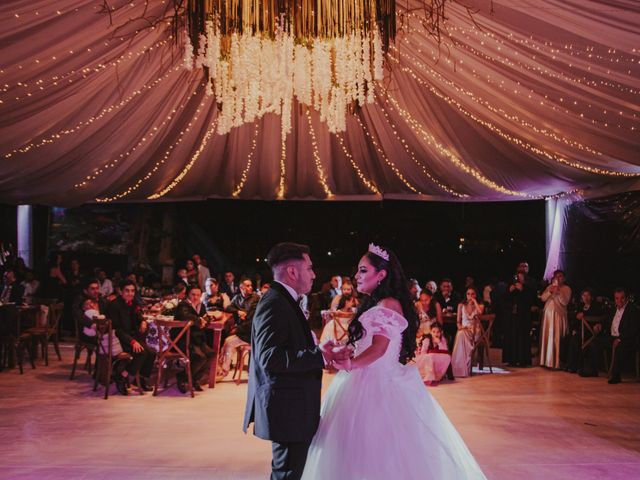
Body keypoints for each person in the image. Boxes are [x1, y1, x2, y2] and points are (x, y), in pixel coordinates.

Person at [301, 244, 486, 480]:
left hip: (377, 383)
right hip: (363, 379)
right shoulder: (376, 303)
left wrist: (351, 364)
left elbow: (379, 349)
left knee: (376, 449)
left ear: (382, 274)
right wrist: (343, 350)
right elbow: (365, 343)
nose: (357, 275)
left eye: (363, 270)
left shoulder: (388, 305)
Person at [243, 243, 349, 480]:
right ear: (292, 272)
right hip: (287, 410)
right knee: (288, 474)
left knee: (289, 473)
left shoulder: (285, 300)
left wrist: (317, 349)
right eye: (309, 268)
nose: (314, 274)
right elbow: (270, 358)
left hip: (292, 408)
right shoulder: (274, 303)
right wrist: (319, 356)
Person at [580, 288, 639, 384]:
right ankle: (592, 370)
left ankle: (616, 375)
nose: (619, 301)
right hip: (612, 336)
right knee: (594, 343)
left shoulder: (632, 310)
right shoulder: (613, 309)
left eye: (622, 298)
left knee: (619, 347)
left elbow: (633, 329)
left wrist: (620, 338)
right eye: (617, 298)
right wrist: (600, 325)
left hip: (627, 339)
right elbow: (607, 321)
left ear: (627, 298)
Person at [108, 280, 156, 395]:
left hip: (129, 337)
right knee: (142, 353)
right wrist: (132, 341)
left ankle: (141, 379)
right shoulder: (114, 305)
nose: (130, 293)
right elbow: (117, 329)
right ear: (120, 291)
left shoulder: (133, 302)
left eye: (132, 291)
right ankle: (121, 375)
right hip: (118, 340)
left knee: (152, 353)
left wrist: (143, 321)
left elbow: (139, 315)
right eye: (127, 291)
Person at [174, 286, 214, 392]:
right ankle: (182, 377)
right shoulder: (183, 305)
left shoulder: (201, 305)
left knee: (211, 354)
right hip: (183, 340)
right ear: (188, 294)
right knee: (200, 357)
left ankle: (194, 379)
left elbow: (206, 318)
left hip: (196, 339)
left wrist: (205, 321)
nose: (195, 297)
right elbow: (184, 315)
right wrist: (199, 320)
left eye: (198, 295)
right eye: (193, 294)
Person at [502, 264, 538, 367]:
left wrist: (523, 289)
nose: (519, 278)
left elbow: (532, 298)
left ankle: (522, 360)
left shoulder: (530, 284)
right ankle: (511, 359)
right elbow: (504, 298)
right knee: (511, 336)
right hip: (512, 315)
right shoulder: (511, 283)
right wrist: (510, 290)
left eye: (521, 277)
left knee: (522, 337)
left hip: (523, 316)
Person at [539, 270, 572, 369]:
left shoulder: (566, 289)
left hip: (558, 316)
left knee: (556, 338)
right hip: (548, 316)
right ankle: (546, 361)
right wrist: (550, 291)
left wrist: (558, 292)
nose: (558, 278)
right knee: (547, 337)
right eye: (556, 276)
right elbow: (543, 298)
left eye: (560, 276)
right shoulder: (549, 287)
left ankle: (557, 362)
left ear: (564, 278)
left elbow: (564, 302)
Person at [566, 288, 603, 373]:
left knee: (575, 340)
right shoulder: (580, 307)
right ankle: (568, 364)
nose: (586, 297)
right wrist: (576, 320)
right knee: (567, 338)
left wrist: (584, 315)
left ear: (591, 297)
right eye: (584, 295)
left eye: (588, 295)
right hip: (580, 331)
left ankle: (574, 366)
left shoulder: (595, 307)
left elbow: (597, 317)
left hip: (590, 332)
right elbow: (575, 321)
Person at [450, 287, 484, 378]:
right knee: (460, 333)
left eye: (472, 294)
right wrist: (460, 327)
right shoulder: (461, 305)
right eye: (468, 294)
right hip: (464, 329)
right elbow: (458, 321)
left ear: (476, 295)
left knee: (461, 335)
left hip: (475, 330)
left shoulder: (480, 305)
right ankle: (458, 369)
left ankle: (464, 368)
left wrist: (475, 302)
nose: (470, 296)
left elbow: (480, 313)